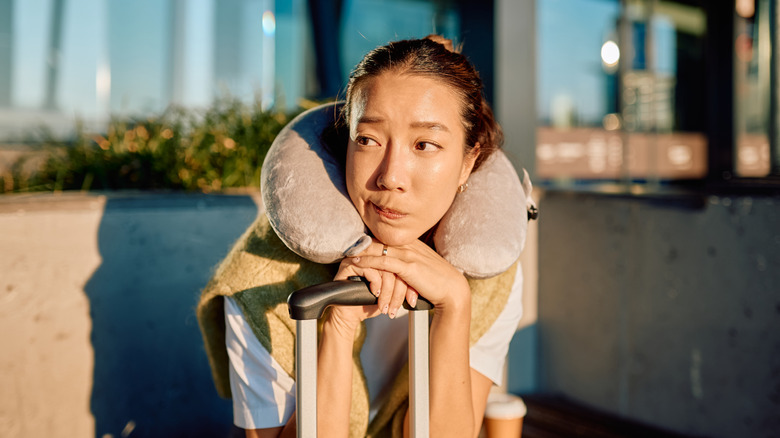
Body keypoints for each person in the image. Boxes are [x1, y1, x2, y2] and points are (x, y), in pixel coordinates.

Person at [197, 35, 525, 438]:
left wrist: (455, 307)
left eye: (425, 144)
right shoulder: (256, 282)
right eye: (368, 140)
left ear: (466, 163)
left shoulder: (493, 278)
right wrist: (338, 324)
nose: (390, 176)